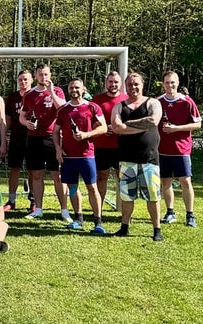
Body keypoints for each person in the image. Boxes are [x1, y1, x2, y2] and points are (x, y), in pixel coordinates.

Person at [111, 72, 164, 241]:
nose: (133, 87)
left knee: (153, 196)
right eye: (130, 84)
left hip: (149, 159)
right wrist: (141, 125)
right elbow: (115, 127)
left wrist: (126, 125)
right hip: (126, 159)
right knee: (127, 196)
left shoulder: (153, 103)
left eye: (136, 84)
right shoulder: (119, 106)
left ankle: (157, 230)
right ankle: (124, 227)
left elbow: (153, 122)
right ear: (125, 86)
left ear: (142, 85)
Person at [53, 78, 107, 233]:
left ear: (84, 89)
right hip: (68, 156)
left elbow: (103, 128)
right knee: (72, 187)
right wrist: (58, 148)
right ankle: (78, 218)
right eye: (71, 87)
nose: (74, 90)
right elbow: (56, 131)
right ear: (68, 90)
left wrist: (86, 135)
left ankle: (98, 222)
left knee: (92, 187)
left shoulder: (92, 107)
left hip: (86, 155)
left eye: (77, 87)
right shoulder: (63, 110)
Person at [19, 64, 72, 221]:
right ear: (36, 76)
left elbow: (62, 107)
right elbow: (22, 116)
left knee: (58, 175)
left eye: (46, 74)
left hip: (52, 138)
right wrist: (26, 123)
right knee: (36, 174)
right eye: (41, 75)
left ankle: (64, 210)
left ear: (50, 75)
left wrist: (51, 92)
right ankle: (38, 209)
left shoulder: (57, 91)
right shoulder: (29, 95)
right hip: (34, 138)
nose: (44, 78)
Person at [157, 71, 201, 227]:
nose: (170, 85)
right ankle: (170, 212)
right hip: (162, 150)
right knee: (165, 182)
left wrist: (176, 128)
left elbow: (197, 124)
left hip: (181, 149)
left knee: (185, 181)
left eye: (173, 82)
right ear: (163, 84)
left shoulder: (187, 101)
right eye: (167, 82)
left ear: (178, 83)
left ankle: (190, 215)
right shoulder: (157, 102)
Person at [91, 71, 128, 212]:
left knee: (123, 179)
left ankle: (125, 211)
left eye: (116, 82)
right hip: (102, 146)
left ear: (121, 83)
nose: (113, 84)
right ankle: (98, 211)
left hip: (122, 146)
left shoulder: (127, 99)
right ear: (106, 83)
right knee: (101, 177)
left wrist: (118, 127)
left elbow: (131, 122)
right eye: (110, 82)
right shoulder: (97, 100)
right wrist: (102, 127)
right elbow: (91, 121)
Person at [4, 70, 34, 212]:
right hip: (16, 137)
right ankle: (11, 200)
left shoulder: (35, 95)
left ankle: (33, 200)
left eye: (26, 79)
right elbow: (8, 119)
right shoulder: (12, 97)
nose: (23, 82)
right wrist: (4, 137)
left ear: (31, 80)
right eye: (20, 79)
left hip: (33, 138)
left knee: (32, 170)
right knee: (14, 169)